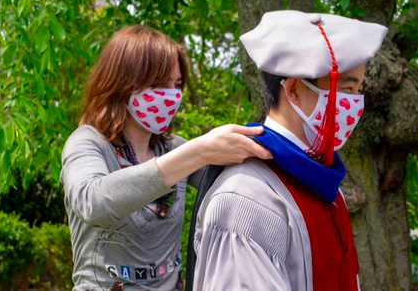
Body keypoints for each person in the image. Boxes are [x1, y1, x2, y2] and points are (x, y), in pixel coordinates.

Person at [186, 10, 388, 291]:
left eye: (359, 90)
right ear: (293, 90)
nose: (355, 104)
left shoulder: (322, 181)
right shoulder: (247, 197)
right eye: (346, 89)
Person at [61, 25, 271, 291]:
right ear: (123, 81)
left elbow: (238, 181)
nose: (172, 95)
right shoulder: (86, 142)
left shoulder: (172, 148)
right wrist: (198, 151)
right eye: (160, 83)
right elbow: (93, 203)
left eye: (177, 85)